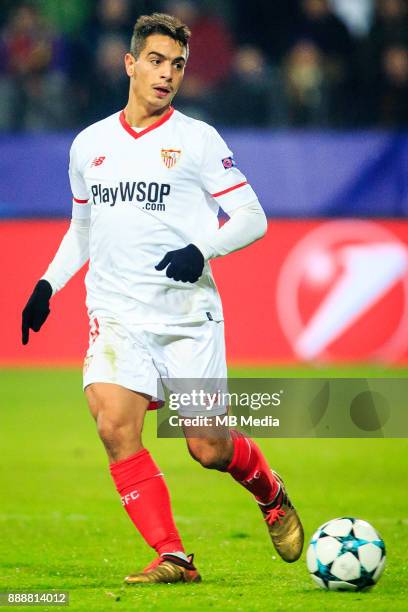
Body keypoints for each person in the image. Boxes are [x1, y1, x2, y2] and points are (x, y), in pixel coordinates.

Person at [21, 12, 304, 584]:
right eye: (155, 60)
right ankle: (173, 556)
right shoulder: (89, 145)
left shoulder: (196, 140)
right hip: (117, 313)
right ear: (130, 64)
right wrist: (48, 283)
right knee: (113, 426)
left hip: (185, 318)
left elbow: (253, 217)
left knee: (206, 445)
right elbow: (83, 229)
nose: (166, 73)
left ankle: (270, 492)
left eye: (177, 64)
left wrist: (203, 249)